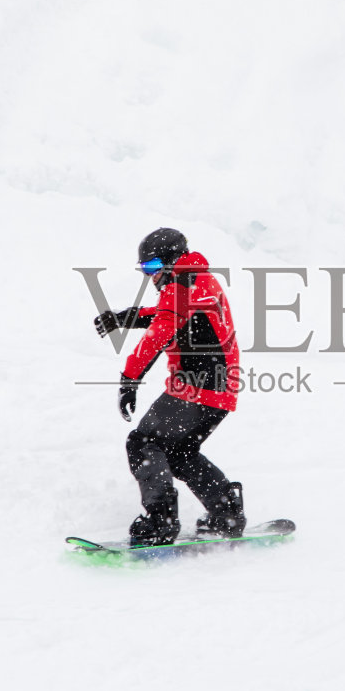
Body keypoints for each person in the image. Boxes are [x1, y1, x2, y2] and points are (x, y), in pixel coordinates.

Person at [93, 227, 244, 545]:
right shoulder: (198, 278)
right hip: (219, 390)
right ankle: (225, 511)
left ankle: (160, 520)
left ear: (172, 259)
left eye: (152, 267)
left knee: (143, 443)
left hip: (197, 388)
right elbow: (169, 316)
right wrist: (125, 318)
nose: (150, 276)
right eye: (144, 269)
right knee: (179, 452)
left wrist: (129, 380)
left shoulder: (181, 284)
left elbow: (160, 333)